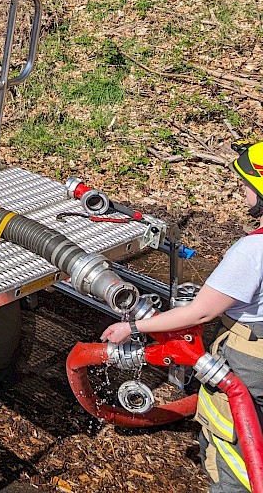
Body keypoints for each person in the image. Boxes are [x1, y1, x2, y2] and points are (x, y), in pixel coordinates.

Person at [102, 141, 263, 492]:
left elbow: (200, 311)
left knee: (232, 449)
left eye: (246, 183)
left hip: (249, 365)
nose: (241, 189)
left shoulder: (253, 251)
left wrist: (133, 326)